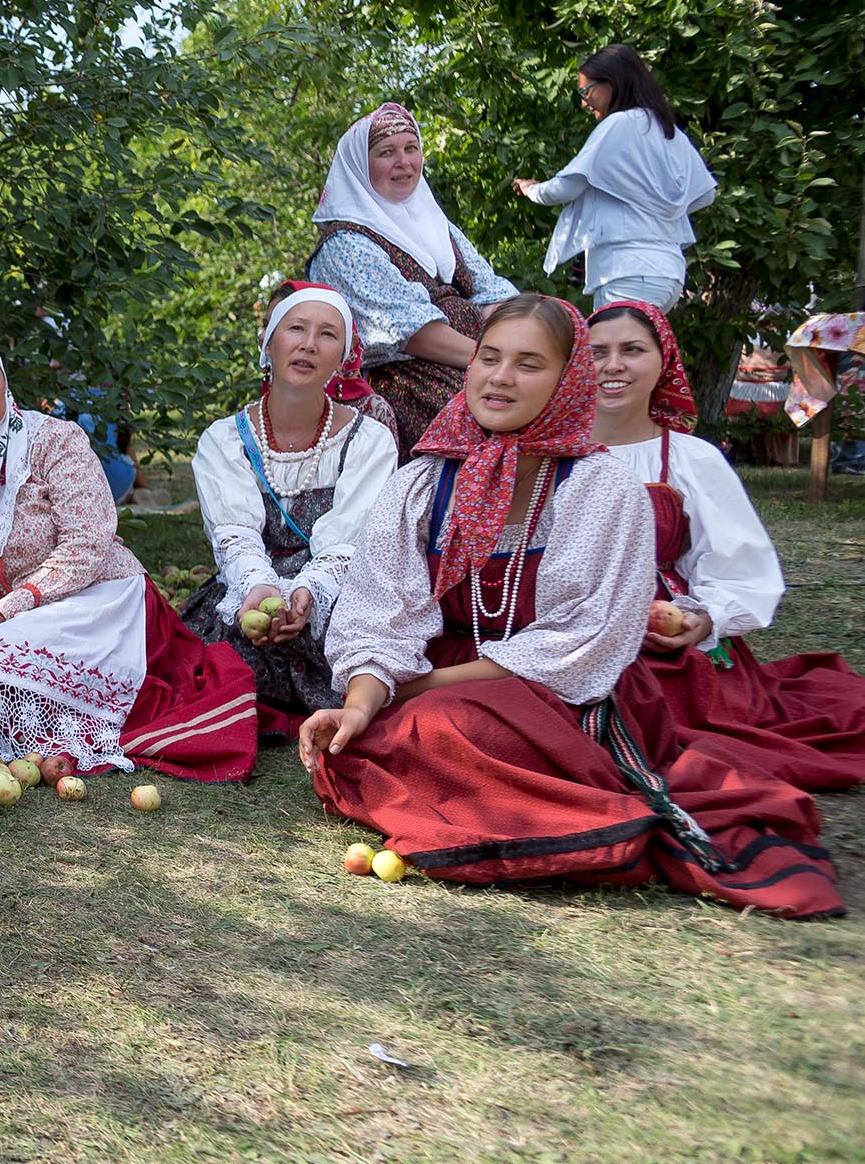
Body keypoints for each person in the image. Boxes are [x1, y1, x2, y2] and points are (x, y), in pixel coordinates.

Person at [301, 294, 840, 918]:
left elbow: (579, 641)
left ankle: (586, 815)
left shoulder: (598, 485)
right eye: (489, 357)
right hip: (438, 680)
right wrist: (363, 704)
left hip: (561, 688)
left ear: (567, 382)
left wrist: (421, 688)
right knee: (360, 745)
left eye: (529, 364)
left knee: (440, 728)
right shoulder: (425, 481)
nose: (500, 377)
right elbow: (378, 610)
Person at [0, 327, 259, 779]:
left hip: (100, 599)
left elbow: (87, 542)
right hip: (12, 623)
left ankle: (55, 736)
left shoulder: (51, 440)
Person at [588, 298, 865, 790]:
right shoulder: (545, 454)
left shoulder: (692, 459)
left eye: (632, 349)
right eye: (595, 352)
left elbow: (739, 565)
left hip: (661, 640)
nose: (612, 365)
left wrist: (706, 617)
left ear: (663, 361)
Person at [182, 283, 399, 722]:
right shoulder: (225, 440)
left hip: (334, 589)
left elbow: (349, 544)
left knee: (351, 638)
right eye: (295, 328)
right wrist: (261, 589)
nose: (308, 345)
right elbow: (236, 537)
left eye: (327, 334)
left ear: (344, 355)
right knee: (223, 656)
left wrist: (307, 593)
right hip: (250, 587)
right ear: (268, 343)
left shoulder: (369, 440)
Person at [310, 102, 522, 454]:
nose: (404, 162)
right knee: (500, 428)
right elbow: (411, 334)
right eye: (386, 152)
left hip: (475, 359)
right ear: (361, 167)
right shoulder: (344, 244)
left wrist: (522, 346)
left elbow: (488, 291)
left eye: (411, 148)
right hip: (413, 380)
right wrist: (492, 360)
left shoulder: (435, 225)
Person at [513, 46, 715, 313]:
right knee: (635, 353)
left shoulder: (618, 124)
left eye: (586, 92)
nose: (585, 103)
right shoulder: (668, 130)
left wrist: (531, 189)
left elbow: (564, 188)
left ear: (612, 83)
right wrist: (654, 207)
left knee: (608, 353)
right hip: (669, 274)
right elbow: (705, 195)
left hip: (627, 272)